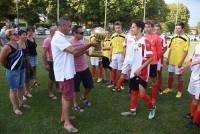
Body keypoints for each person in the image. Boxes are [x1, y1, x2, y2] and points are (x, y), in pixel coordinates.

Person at [51, 16, 98, 133]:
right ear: (62, 26)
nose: (70, 28)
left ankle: (64, 117)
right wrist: (90, 44)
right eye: (69, 26)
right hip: (64, 73)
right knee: (68, 98)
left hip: (67, 72)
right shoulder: (58, 38)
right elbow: (73, 51)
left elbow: (74, 52)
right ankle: (67, 123)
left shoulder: (61, 37)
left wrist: (89, 48)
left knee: (66, 97)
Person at [120, 20, 156, 119]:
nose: (131, 29)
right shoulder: (134, 40)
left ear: (139, 28)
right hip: (133, 71)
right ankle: (132, 111)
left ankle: (152, 107)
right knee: (134, 92)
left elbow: (151, 58)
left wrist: (139, 69)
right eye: (131, 27)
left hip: (142, 72)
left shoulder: (145, 41)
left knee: (143, 95)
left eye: (133, 27)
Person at [0, 29, 25, 115]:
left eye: (17, 34)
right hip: (13, 71)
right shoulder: (7, 47)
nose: (17, 35)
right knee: (13, 89)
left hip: (21, 69)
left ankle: (21, 103)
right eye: (14, 34)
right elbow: (1, 60)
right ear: (9, 36)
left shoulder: (18, 45)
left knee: (21, 87)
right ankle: (15, 107)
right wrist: (8, 67)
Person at [69, 25, 94, 112]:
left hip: (85, 67)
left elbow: (86, 52)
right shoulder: (70, 42)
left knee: (90, 85)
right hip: (75, 70)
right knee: (75, 89)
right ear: (74, 33)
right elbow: (74, 54)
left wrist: (91, 52)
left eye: (83, 33)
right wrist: (85, 49)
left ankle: (83, 97)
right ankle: (75, 104)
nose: (83, 34)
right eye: (81, 33)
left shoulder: (82, 40)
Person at [163, 22, 190, 98]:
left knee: (179, 76)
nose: (177, 30)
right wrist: (168, 59)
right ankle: (169, 88)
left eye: (179, 28)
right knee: (170, 74)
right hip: (171, 60)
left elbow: (186, 51)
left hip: (179, 61)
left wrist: (181, 61)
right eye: (176, 28)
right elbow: (170, 49)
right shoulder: (173, 37)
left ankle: (179, 91)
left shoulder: (186, 38)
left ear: (182, 29)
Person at [181, 44, 200, 128]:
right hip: (194, 75)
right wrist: (186, 66)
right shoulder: (197, 46)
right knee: (194, 96)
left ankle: (196, 122)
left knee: (198, 98)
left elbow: (195, 61)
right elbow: (193, 58)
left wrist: (195, 62)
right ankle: (192, 115)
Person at [144, 20, 162, 105]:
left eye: (148, 27)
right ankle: (143, 94)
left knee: (153, 80)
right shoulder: (143, 37)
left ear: (152, 27)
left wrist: (155, 59)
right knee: (144, 78)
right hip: (145, 62)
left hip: (153, 63)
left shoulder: (157, 37)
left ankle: (154, 97)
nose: (146, 29)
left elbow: (159, 51)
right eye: (145, 27)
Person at [108, 21, 126, 90]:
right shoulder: (112, 36)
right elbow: (111, 47)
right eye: (116, 28)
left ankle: (120, 84)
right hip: (114, 55)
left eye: (119, 28)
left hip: (121, 55)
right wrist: (110, 55)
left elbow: (125, 47)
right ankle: (113, 83)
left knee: (120, 70)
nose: (117, 29)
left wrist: (123, 56)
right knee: (113, 69)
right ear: (114, 29)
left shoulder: (124, 36)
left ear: (121, 27)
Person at [42, 25, 58, 100]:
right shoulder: (47, 40)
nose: (56, 32)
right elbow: (43, 53)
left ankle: (58, 88)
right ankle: (50, 92)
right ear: (51, 32)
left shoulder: (57, 39)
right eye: (55, 31)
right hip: (51, 62)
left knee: (58, 76)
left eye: (57, 31)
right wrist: (46, 64)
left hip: (58, 61)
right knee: (51, 78)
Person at [154, 24, 167, 94]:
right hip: (153, 58)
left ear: (160, 30)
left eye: (158, 29)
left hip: (159, 58)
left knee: (159, 72)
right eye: (155, 29)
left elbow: (165, 48)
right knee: (153, 72)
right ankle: (154, 85)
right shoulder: (153, 36)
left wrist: (160, 55)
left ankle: (159, 87)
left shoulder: (162, 37)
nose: (156, 31)